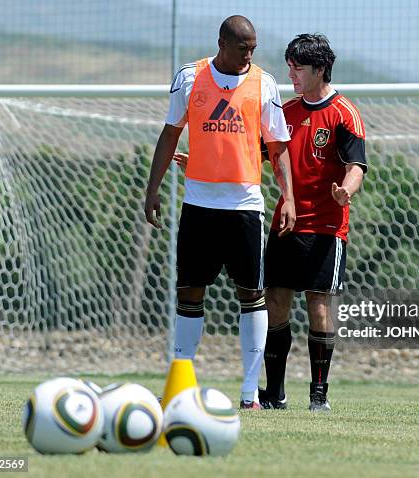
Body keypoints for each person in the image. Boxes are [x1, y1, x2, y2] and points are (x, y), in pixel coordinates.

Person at [144, 15, 295, 410]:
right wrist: (153, 188)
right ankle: (179, 385)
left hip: (245, 206)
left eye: (254, 48)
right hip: (198, 204)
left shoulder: (264, 84)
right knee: (190, 292)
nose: (249, 55)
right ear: (223, 44)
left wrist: (289, 197)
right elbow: (170, 132)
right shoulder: (189, 77)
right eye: (243, 47)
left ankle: (248, 393)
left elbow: (277, 146)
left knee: (251, 295)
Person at [260, 34, 367, 411]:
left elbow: (357, 165)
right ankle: (274, 393)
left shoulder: (344, 113)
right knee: (275, 301)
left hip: (326, 226)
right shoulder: (285, 112)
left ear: (319, 69)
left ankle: (318, 396)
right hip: (286, 222)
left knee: (320, 307)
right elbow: (253, 153)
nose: (291, 73)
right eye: (289, 66)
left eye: (298, 67)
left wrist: (346, 191)